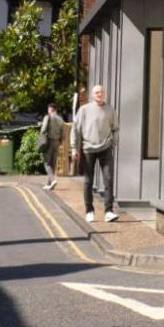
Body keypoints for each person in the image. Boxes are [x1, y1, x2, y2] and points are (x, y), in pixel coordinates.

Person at [75, 84, 120, 224]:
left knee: (108, 180)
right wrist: (74, 148)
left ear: (104, 94)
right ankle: (89, 211)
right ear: (92, 95)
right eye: (96, 92)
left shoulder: (110, 109)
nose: (99, 94)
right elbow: (76, 130)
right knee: (88, 181)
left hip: (106, 148)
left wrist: (113, 143)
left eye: (101, 92)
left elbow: (116, 128)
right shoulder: (84, 110)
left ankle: (108, 211)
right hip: (89, 149)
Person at [37, 102, 65, 191]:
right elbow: (63, 135)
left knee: (46, 162)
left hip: (48, 141)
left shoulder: (47, 117)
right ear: (55, 110)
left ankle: (52, 180)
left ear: (50, 109)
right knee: (53, 163)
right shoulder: (61, 120)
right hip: (57, 142)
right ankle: (49, 184)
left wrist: (41, 134)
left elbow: (43, 129)